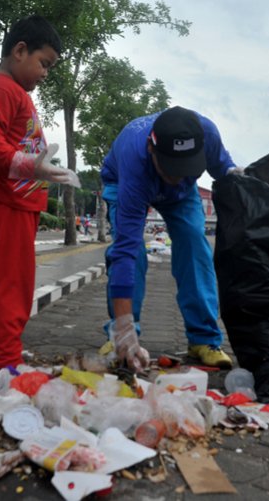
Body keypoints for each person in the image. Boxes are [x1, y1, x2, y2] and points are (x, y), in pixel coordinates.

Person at [0, 15, 79, 379]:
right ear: (19, 51)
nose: (45, 73)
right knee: (12, 282)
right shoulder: (0, 88)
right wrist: (35, 167)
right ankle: (8, 362)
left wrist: (41, 169)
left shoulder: (12, 91)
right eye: (43, 63)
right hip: (9, 200)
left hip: (11, 200)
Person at [100, 106, 244, 371]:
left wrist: (240, 181)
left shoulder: (207, 133)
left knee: (194, 245)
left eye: (186, 168)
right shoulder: (135, 160)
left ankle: (204, 340)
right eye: (171, 168)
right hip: (124, 182)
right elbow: (125, 251)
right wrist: (123, 326)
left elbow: (223, 168)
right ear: (151, 148)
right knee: (135, 256)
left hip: (182, 197)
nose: (176, 176)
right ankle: (122, 334)